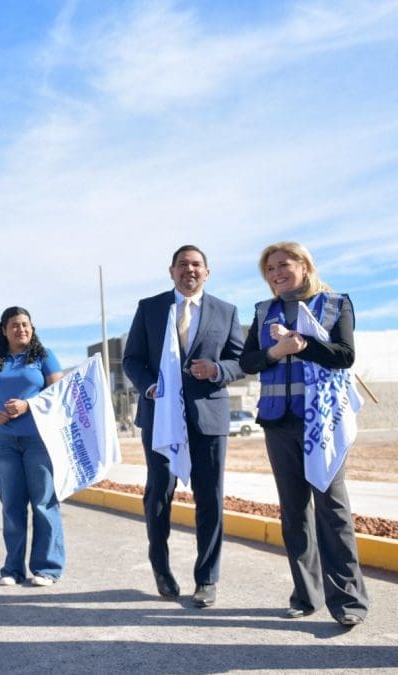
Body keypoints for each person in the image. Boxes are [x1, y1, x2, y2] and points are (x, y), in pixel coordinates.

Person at [239, 241, 369, 627]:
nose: (276, 273)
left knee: (333, 511)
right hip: (279, 422)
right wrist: (275, 353)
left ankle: (349, 601)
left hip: (323, 423)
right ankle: (305, 595)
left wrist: (304, 346)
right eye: (270, 269)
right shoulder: (264, 311)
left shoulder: (336, 303)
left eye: (283, 264)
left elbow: (345, 355)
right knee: (294, 513)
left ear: (304, 265)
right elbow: (248, 361)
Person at [122, 245, 245, 607]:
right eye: (182, 265)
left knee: (210, 498)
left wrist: (217, 371)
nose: (189, 270)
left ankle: (207, 579)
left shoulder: (226, 311)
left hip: (208, 416)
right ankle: (161, 568)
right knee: (159, 494)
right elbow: (132, 359)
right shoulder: (150, 308)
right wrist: (149, 387)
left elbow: (240, 361)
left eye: (196, 265)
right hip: (161, 417)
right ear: (171, 271)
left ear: (207, 272)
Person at [0, 306, 64, 586]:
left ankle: (46, 568)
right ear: (4, 330)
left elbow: (59, 394)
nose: (21, 329)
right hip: (4, 442)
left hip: (39, 439)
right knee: (11, 505)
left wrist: (29, 405)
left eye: (26, 324)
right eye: (14, 325)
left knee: (43, 502)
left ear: (32, 328)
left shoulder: (44, 357)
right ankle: (12, 569)